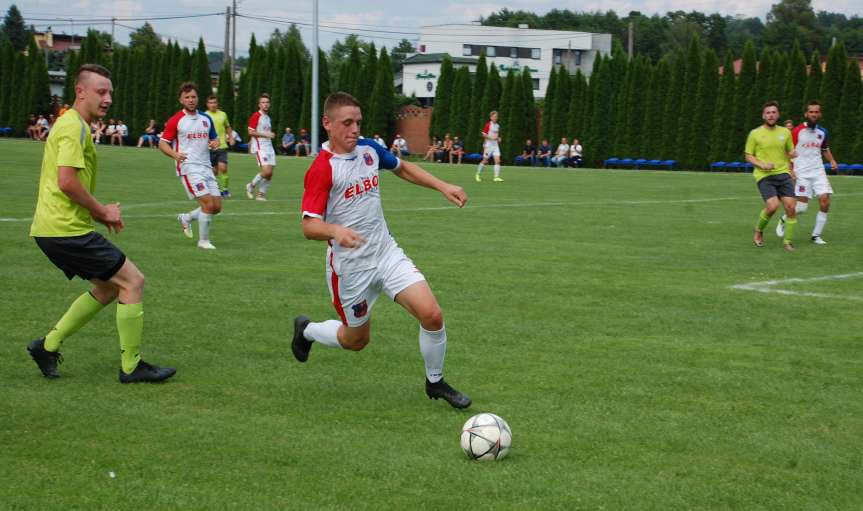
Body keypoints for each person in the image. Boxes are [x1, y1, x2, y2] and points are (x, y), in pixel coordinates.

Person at [293, 91, 472, 409]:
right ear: (327, 123)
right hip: (350, 268)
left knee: (432, 314)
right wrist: (335, 230)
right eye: (347, 123)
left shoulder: (369, 150)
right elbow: (309, 226)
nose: (353, 130)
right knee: (356, 341)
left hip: (386, 254)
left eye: (358, 123)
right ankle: (307, 330)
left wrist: (443, 186)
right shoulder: (322, 169)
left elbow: (402, 168)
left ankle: (435, 382)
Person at [27, 63, 175, 383]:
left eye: (110, 92)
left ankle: (47, 346)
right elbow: (66, 181)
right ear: (80, 92)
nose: (107, 99)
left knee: (109, 287)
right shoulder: (73, 127)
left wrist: (96, 213)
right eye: (101, 91)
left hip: (55, 228)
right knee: (132, 281)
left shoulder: (74, 124)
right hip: (65, 229)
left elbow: (66, 183)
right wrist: (102, 211)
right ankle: (132, 367)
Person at [159, 82, 222, 250]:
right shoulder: (176, 120)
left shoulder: (206, 119)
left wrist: (215, 143)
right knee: (208, 204)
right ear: (181, 100)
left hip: (206, 166)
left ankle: (186, 218)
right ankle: (203, 241)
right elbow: (163, 143)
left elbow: (215, 139)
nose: (191, 100)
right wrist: (175, 155)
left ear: (197, 98)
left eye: (193, 96)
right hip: (188, 168)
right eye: (186, 97)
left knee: (216, 207)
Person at [776, 100, 839, 245]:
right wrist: (789, 169)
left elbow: (824, 149)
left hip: (818, 171)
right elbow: (788, 152)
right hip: (801, 172)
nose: (814, 114)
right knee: (802, 208)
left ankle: (816, 235)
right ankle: (784, 218)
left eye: (816, 112)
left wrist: (832, 161)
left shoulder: (822, 132)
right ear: (806, 114)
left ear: (820, 114)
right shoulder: (797, 131)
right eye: (811, 112)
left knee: (825, 201)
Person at [745, 101, 797, 251]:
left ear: (778, 115)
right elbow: (748, 156)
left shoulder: (785, 132)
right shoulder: (755, 134)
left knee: (791, 207)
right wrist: (761, 164)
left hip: (783, 174)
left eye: (774, 112)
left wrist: (793, 158)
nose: (771, 115)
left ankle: (787, 241)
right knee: (773, 206)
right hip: (764, 175)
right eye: (768, 112)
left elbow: (789, 152)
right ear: (763, 115)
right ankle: (758, 231)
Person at [245, 93, 277, 201]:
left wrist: (269, 134)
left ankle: (261, 195)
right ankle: (251, 185)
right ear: (259, 105)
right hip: (260, 148)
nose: (265, 104)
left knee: (270, 174)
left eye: (267, 102)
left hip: (269, 148)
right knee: (266, 171)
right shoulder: (256, 116)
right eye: (263, 102)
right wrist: (266, 135)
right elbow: (250, 132)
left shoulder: (267, 118)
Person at [206, 95, 234, 197]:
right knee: (214, 171)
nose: (213, 104)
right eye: (211, 103)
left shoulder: (223, 114)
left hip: (222, 145)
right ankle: (215, 189)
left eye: (214, 102)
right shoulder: (204, 115)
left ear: (217, 104)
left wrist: (231, 138)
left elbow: (228, 127)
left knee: (223, 167)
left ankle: (225, 190)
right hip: (210, 147)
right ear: (207, 104)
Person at [476, 111, 503, 182]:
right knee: (485, 161)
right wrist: (491, 139)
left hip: (495, 146)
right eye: (494, 116)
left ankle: (496, 177)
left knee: (498, 161)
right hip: (488, 146)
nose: (495, 118)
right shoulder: (488, 125)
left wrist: (498, 139)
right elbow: (484, 134)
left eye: (496, 116)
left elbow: (497, 136)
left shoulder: (497, 126)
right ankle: (477, 174)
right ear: (491, 117)